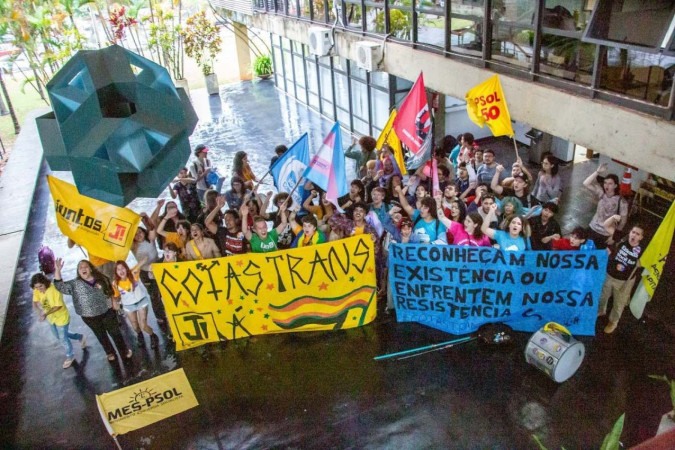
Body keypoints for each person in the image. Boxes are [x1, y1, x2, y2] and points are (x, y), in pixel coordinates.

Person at [53, 259, 132, 362]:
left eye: (85, 267)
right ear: (78, 271)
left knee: (115, 333)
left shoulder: (102, 279)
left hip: (107, 312)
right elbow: (60, 286)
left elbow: (110, 291)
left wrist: (114, 302)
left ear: (90, 269)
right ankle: (110, 352)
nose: (83, 269)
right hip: (90, 317)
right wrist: (57, 270)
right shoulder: (75, 284)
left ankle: (124, 350)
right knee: (101, 336)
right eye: (80, 268)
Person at [598, 224, 645, 334]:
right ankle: (600, 311)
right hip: (609, 275)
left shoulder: (643, 250)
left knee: (619, 303)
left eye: (637, 234)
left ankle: (613, 321)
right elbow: (606, 225)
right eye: (633, 232)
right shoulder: (621, 239)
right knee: (603, 295)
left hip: (624, 282)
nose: (634, 235)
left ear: (641, 238)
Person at [31, 273, 85, 369]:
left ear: (45, 283)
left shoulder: (54, 289)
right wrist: (40, 312)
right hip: (51, 318)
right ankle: (79, 337)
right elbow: (35, 302)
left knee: (63, 338)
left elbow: (58, 306)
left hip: (61, 317)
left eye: (41, 286)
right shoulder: (37, 290)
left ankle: (70, 356)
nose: (39, 289)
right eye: (36, 287)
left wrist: (45, 314)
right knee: (59, 336)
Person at [112, 260, 159, 349]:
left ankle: (152, 336)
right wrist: (115, 302)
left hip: (141, 301)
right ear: (116, 272)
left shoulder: (134, 274)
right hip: (128, 306)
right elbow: (116, 296)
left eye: (123, 268)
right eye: (118, 269)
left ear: (126, 268)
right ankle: (139, 335)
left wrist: (134, 269)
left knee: (143, 325)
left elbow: (144, 259)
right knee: (135, 326)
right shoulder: (115, 283)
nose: (121, 271)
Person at [130, 226, 167, 329]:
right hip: (146, 273)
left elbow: (151, 228)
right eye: (135, 234)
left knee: (166, 291)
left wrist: (145, 217)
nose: (138, 235)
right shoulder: (134, 245)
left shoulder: (150, 239)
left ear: (144, 232)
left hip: (158, 267)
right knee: (154, 295)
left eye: (140, 232)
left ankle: (170, 310)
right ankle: (160, 317)